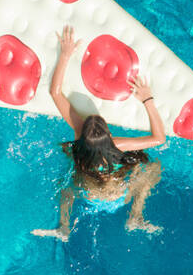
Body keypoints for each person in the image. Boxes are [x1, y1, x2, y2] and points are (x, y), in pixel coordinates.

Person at [32, 26, 164, 242]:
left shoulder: (78, 138)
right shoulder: (117, 145)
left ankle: (64, 228)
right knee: (153, 167)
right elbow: (159, 139)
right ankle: (135, 216)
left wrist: (65, 55)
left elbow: (54, 92)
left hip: (88, 194)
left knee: (66, 189)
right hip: (119, 196)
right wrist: (147, 99)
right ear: (107, 135)